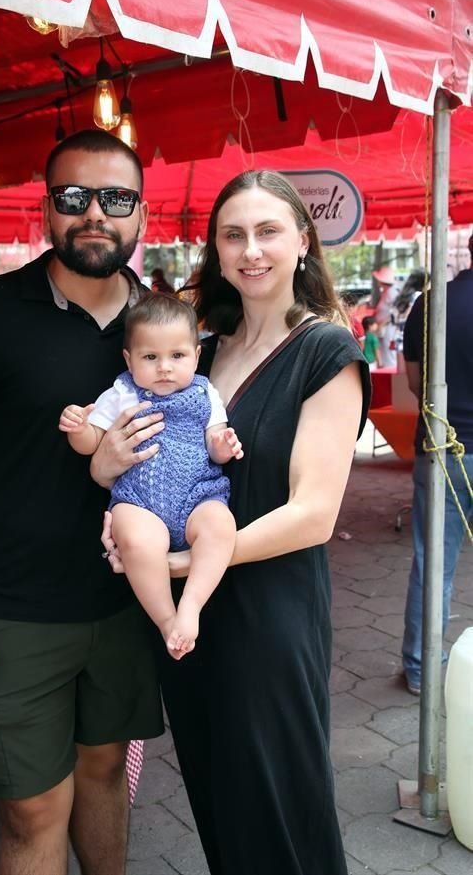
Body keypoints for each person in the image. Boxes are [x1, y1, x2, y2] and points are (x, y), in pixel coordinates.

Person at [0, 129, 165, 875]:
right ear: (47, 211)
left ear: (140, 216)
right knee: (30, 809)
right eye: (73, 197)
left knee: (105, 771)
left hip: (123, 605)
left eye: (114, 199)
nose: (94, 215)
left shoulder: (162, 327)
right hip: (10, 616)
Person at [94, 169, 371, 874]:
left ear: (303, 241)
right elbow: (157, 466)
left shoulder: (326, 353)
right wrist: (129, 519)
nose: (251, 249)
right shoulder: (201, 353)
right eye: (233, 234)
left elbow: (313, 514)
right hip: (195, 626)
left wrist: (184, 566)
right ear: (216, 251)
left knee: (279, 818)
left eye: (269, 230)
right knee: (223, 815)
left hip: (268, 619)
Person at [59, 293, 243, 659]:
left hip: (197, 495)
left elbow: (214, 440)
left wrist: (224, 445)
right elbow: (93, 442)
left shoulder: (205, 392)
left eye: (177, 356)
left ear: (196, 354)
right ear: (129, 359)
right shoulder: (122, 392)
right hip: (140, 500)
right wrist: (78, 428)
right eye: (150, 357)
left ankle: (191, 606)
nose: (164, 368)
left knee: (221, 527)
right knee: (137, 544)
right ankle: (166, 620)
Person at [401, 234, 473, 696]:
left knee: (433, 563)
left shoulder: (431, 303)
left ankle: (420, 668)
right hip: (446, 449)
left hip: (443, 448)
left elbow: (415, 381)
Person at [392, 268, 426, 355]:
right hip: (413, 336)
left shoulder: (402, 296)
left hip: (399, 335)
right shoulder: (418, 296)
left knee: (402, 368)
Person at [372, 264, 400, 367]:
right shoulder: (386, 292)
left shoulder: (392, 293)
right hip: (383, 328)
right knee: (384, 353)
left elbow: (395, 312)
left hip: (388, 328)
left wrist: (382, 323)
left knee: (388, 354)